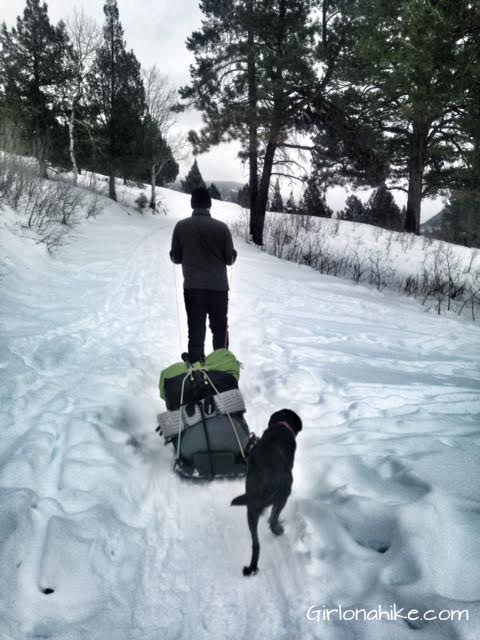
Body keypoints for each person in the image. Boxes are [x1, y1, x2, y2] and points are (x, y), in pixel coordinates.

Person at [170, 186, 237, 363]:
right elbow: (229, 259)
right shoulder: (222, 228)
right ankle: (221, 365)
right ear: (209, 204)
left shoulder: (181, 226)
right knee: (220, 329)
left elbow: (176, 258)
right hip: (218, 289)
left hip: (193, 288)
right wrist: (233, 254)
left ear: (192, 204)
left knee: (196, 329)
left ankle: (196, 367)